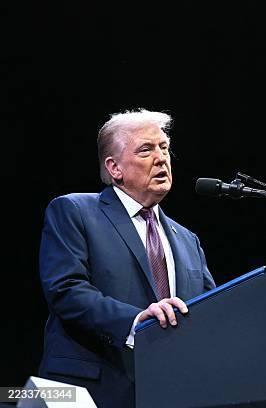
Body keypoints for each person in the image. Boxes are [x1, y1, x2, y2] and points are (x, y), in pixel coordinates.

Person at [38, 109, 215, 407]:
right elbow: (65, 290)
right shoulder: (74, 211)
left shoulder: (188, 240)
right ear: (114, 167)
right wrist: (135, 322)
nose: (161, 158)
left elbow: (211, 311)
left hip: (170, 394)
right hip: (89, 391)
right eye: (146, 150)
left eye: (164, 148)